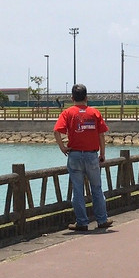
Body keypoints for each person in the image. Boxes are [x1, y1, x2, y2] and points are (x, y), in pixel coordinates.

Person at [54, 83, 112, 231]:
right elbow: (101, 134)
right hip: (92, 154)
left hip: (74, 155)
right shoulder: (94, 113)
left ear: (72, 98)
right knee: (97, 189)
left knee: (78, 190)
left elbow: (56, 131)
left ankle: (82, 222)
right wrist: (102, 154)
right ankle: (102, 220)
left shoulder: (67, 113)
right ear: (86, 97)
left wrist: (63, 148)